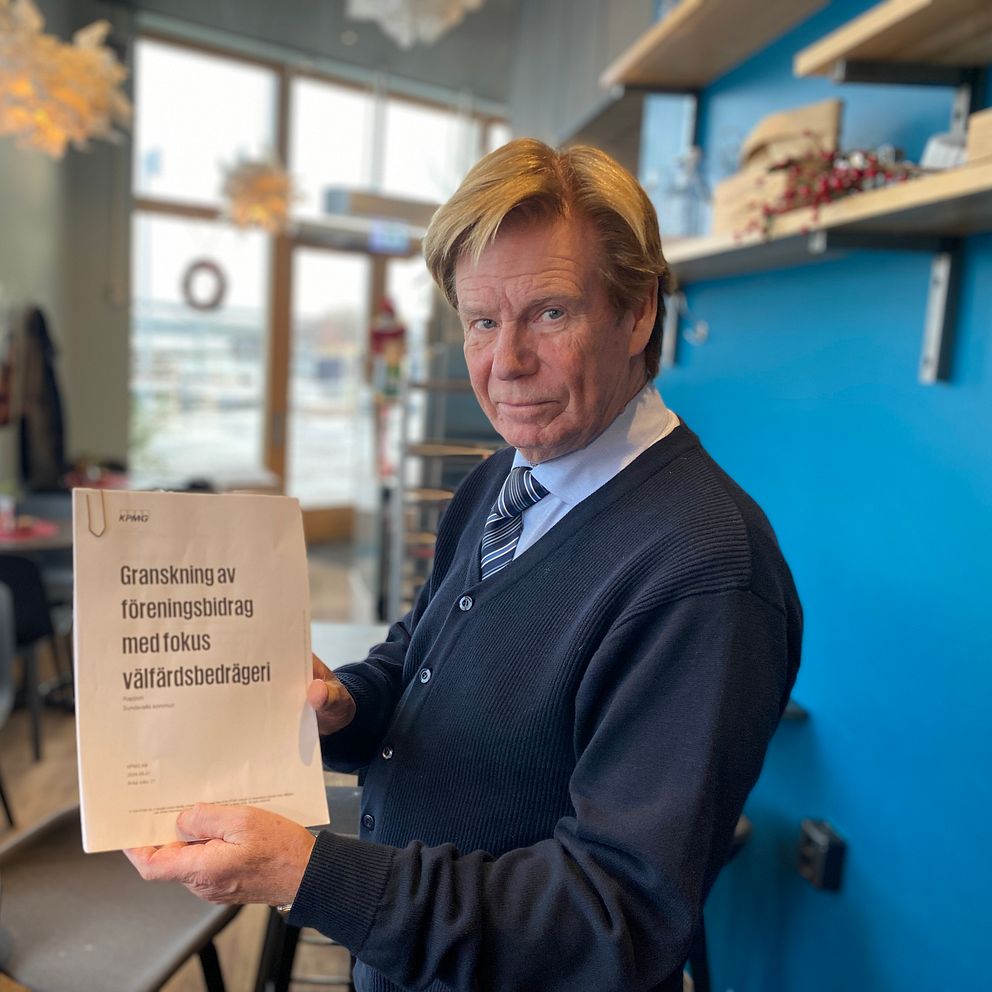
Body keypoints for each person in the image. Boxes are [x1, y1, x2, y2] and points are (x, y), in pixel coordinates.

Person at [126, 138, 802, 992]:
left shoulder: (706, 570)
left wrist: (311, 874)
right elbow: (421, 655)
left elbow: (615, 918)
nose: (505, 362)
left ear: (637, 314)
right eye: (482, 321)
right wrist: (346, 707)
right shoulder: (504, 476)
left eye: (549, 314)